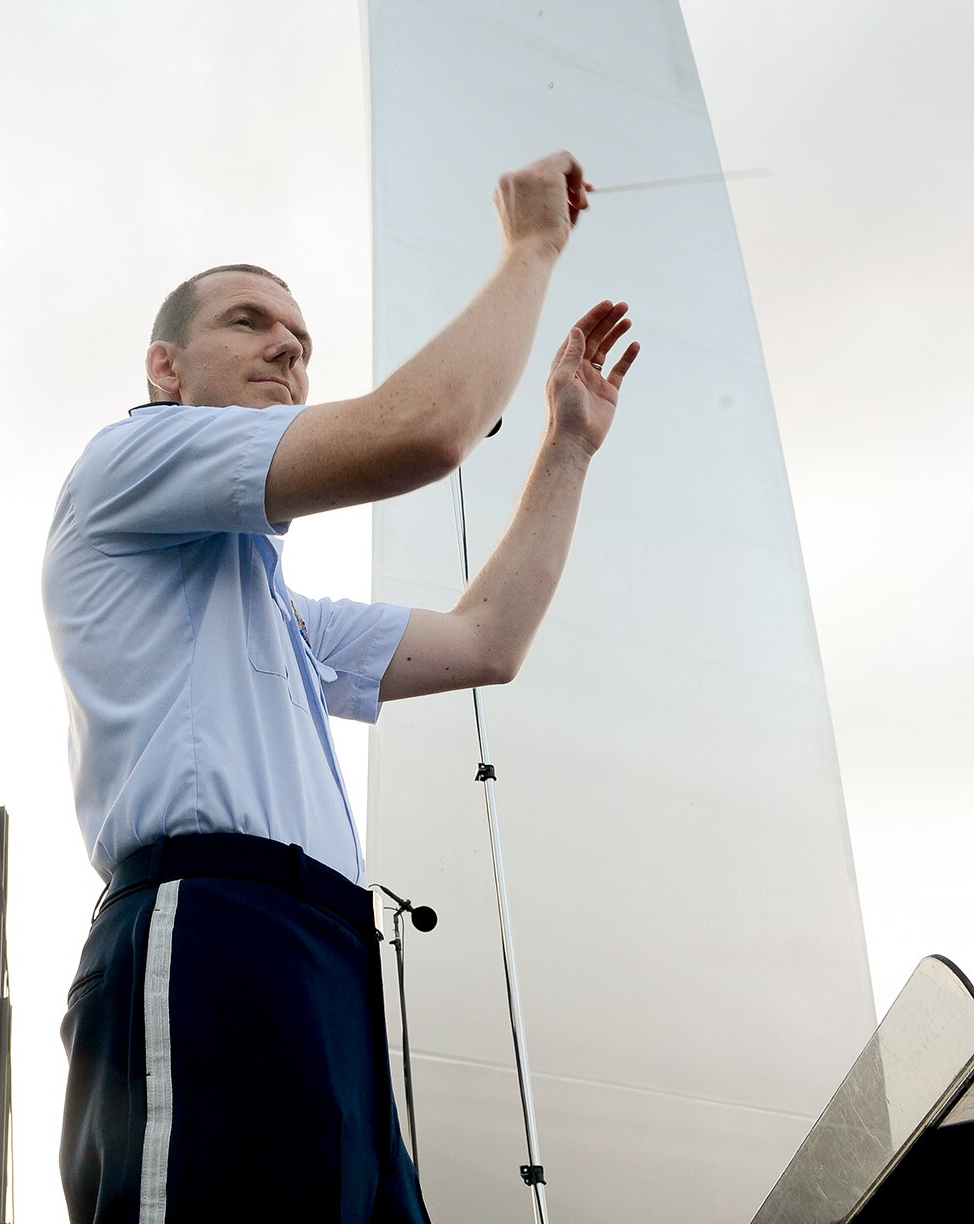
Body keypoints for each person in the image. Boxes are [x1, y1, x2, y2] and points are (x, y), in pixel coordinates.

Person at [42, 151, 638, 1224]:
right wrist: (530, 247)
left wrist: (566, 445)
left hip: (327, 957)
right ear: (164, 368)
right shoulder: (127, 459)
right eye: (247, 320)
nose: (286, 343)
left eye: (302, 339)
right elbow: (423, 428)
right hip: (208, 919)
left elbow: (484, 639)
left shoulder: (269, 607)